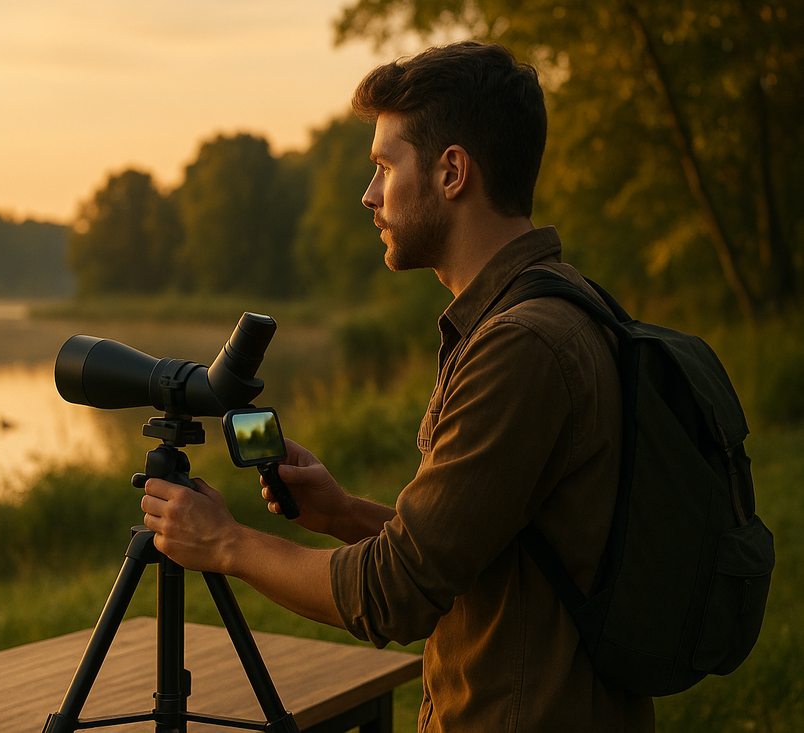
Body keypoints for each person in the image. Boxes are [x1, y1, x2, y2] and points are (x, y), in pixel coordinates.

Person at [142, 41, 655, 731]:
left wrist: (226, 543)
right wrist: (343, 512)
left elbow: (394, 594)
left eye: (385, 165)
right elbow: (478, 556)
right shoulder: (557, 304)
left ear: (452, 172)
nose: (369, 193)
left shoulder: (519, 345)